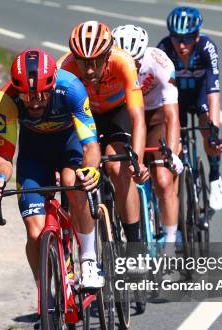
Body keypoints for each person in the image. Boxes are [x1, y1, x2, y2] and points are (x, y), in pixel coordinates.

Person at [0, 49, 102, 330]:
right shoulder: (6, 100)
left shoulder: (72, 87)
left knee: (75, 184)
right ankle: (45, 303)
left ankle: (87, 258)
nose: (33, 101)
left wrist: (92, 170)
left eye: (40, 95)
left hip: (69, 146)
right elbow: (5, 156)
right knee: (35, 232)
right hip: (34, 153)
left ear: (51, 87)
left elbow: (90, 142)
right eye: (26, 96)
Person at [59, 21, 150, 252]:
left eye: (97, 62)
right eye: (83, 62)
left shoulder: (123, 62)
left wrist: (136, 161)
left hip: (116, 113)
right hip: (84, 115)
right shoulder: (64, 68)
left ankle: (135, 246)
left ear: (108, 55)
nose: (89, 70)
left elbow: (138, 118)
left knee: (118, 166)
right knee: (72, 173)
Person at [112, 25, 183, 247]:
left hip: (155, 118)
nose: (131, 67)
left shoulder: (160, 63)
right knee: (118, 169)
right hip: (124, 115)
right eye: (126, 61)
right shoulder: (108, 64)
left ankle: (171, 245)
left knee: (162, 179)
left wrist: (171, 153)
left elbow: (172, 116)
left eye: (137, 62)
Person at [158, 7, 222, 211]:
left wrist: (214, 132)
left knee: (209, 131)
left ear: (197, 37)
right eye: (176, 38)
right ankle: (177, 205)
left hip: (200, 94)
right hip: (175, 98)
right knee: (175, 143)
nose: (181, 45)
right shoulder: (163, 48)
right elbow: (156, 90)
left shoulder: (207, 47)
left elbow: (214, 93)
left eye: (187, 38)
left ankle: (215, 176)